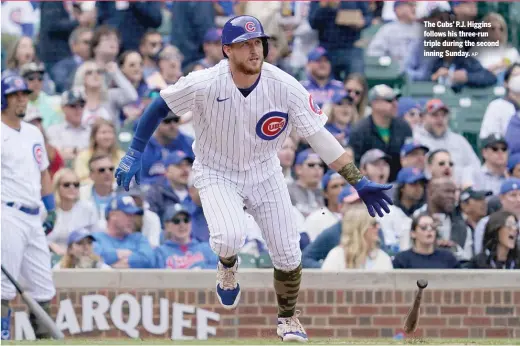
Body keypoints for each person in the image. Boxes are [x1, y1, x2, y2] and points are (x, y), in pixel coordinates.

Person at [114, 15, 392, 342]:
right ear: (227, 50)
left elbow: (320, 137)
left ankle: (288, 320)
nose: (253, 49)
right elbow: (158, 106)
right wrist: (134, 152)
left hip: (264, 171)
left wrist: (358, 181)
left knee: (289, 254)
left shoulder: (285, 85)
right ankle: (227, 266)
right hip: (217, 170)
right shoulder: (205, 81)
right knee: (230, 237)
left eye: (257, 42)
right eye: (245, 44)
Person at [1, 75, 57, 339]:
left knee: (44, 286)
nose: (22, 98)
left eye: (24, 93)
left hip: (34, 215)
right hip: (7, 212)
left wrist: (52, 207)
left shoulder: (33, 132)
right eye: (15, 94)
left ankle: (44, 338)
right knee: (4, 286)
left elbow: (43, 172)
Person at [321, 204, 393, 271]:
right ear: (359, 228)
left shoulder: (383, 258)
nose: (378, 227)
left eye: (377, 223)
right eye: (373, 224)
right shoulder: (336, 256)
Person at [392, 213, 460, 269]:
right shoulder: (401, 259)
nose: (429, 229)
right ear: (413, 233)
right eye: (424, 227)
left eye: (433, 227)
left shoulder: (448, 258)